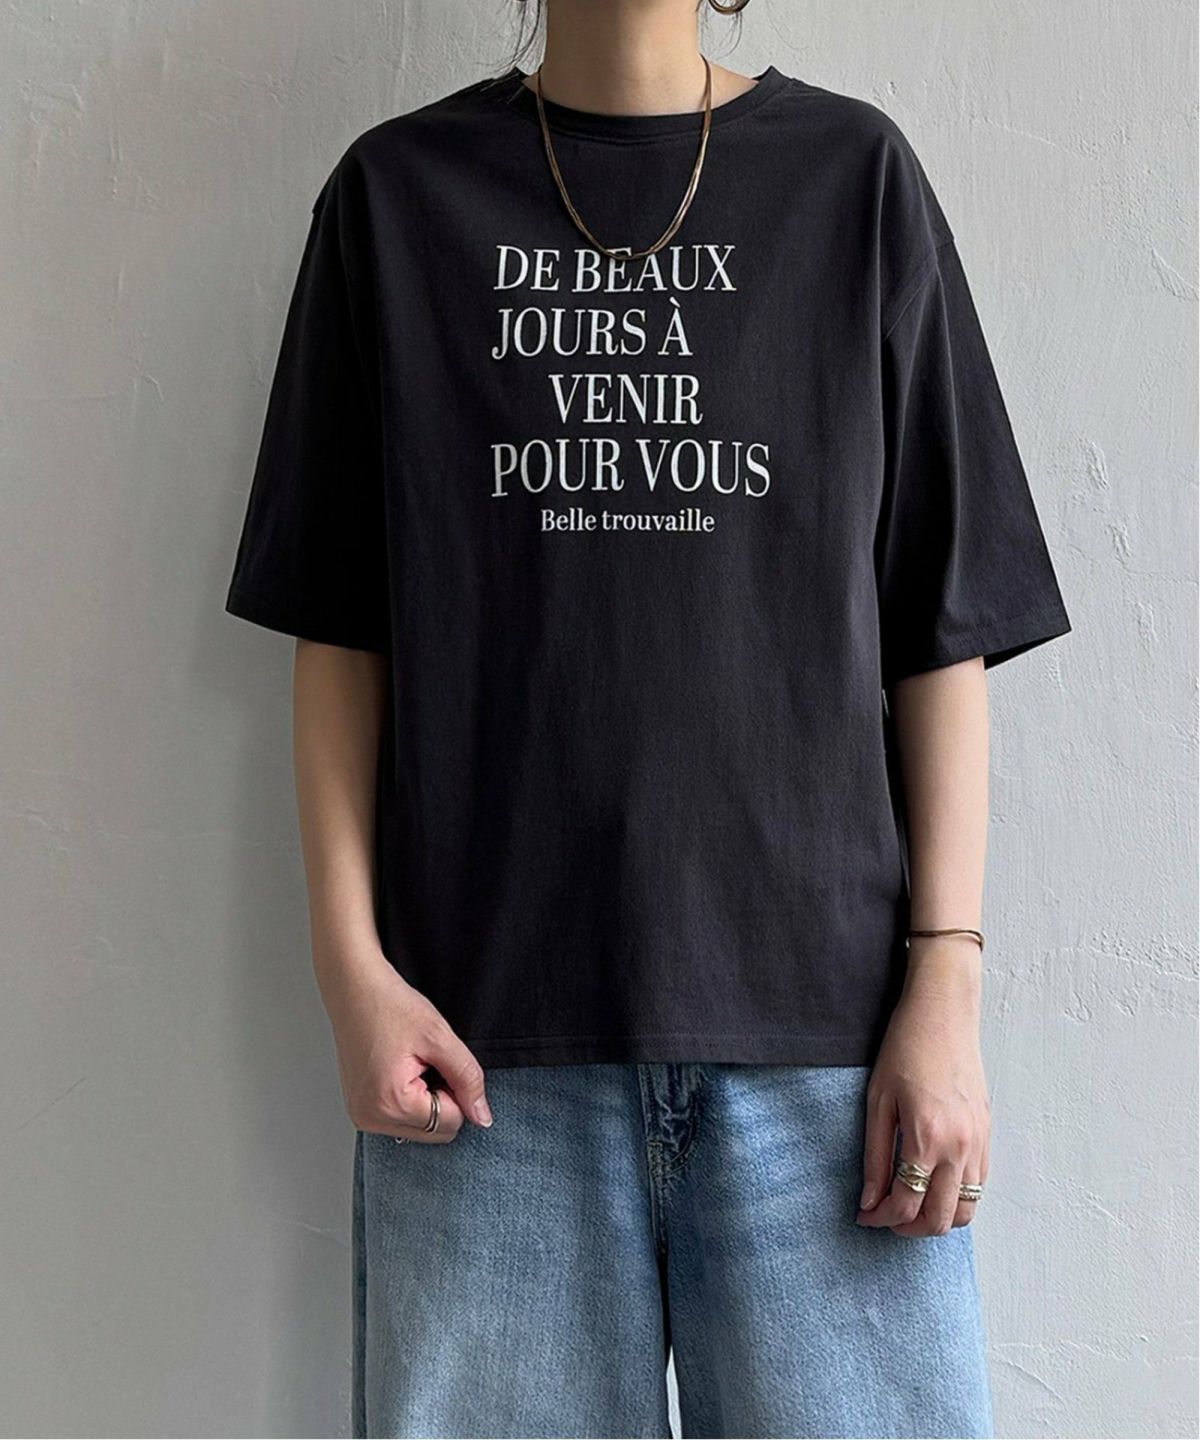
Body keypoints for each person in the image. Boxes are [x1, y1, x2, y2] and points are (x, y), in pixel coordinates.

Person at [223, 2, 1072, 1435]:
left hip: (827, 1065)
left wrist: (947, 987)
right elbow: (343, 627)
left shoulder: (853, 183)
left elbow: (942, 627)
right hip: (483, 1063)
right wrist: (348, 970)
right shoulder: (397, 199)